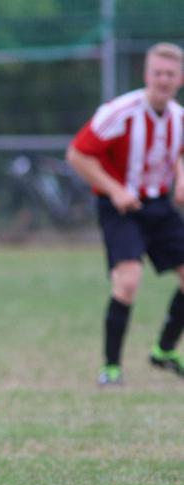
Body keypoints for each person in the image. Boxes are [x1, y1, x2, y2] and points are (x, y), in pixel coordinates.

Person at [67, 42, 184, 386]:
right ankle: (111, 368)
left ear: (180, 79)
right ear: (146, 75)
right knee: (128, 281)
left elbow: (179, 152)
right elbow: (77, 155)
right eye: (158, 73)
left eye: (171, 74)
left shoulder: (178, 118)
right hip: (120, 208)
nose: (164, 80)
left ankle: (164, 350)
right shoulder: (119, 112)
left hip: (158, 206)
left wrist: (181, 179)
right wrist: (115, 189)